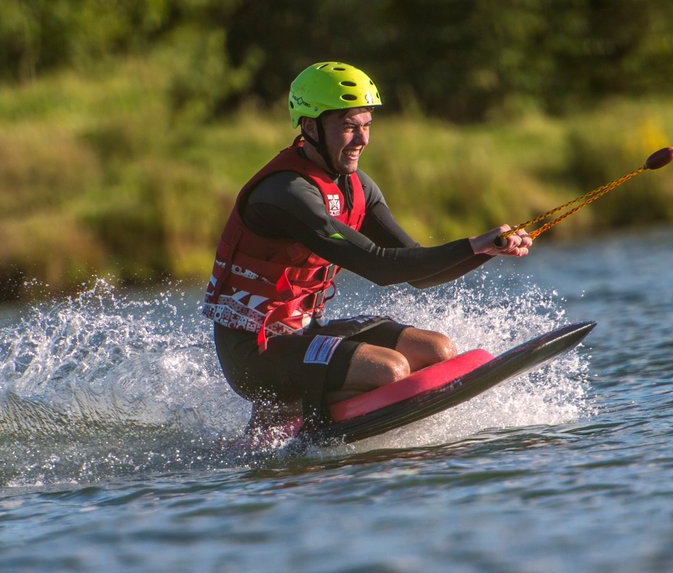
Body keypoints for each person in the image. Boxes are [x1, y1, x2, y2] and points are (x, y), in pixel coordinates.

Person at [201, 61, 533, 434]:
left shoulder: (357, 187)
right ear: (310, 127)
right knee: (389, 369)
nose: (362, 140)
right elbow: (380, 266)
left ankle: (311, 402)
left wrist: (487, 250)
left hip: (306, 332)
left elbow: (420, 272)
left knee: (438, 351)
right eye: (347, 127)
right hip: (254, 354)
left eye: (366, 125)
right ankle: (283, 416)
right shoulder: (285, 193)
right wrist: (474, 244)